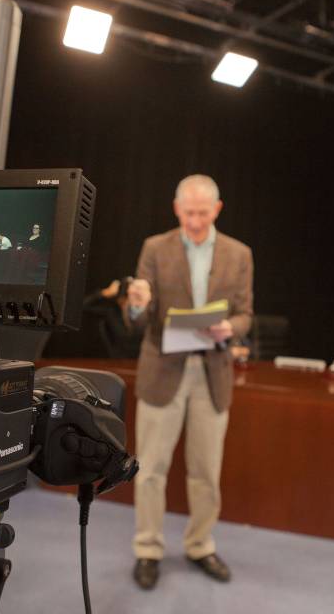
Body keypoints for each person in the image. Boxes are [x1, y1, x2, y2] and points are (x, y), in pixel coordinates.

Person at [125, 174, 253, 590]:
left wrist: (229, 327)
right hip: (164, 369)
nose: (195, 221)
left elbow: (246, 314)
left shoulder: (239, 254)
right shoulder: (154, 247)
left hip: (212, 372)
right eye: (188, 212)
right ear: (176, 209)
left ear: (217, 210)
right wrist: (137, 303)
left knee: (205, 472)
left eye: (203, 213)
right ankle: (148, 548)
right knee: (150, 471)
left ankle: (200, 544)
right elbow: (138, 317)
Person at [83, 278, 143, 359]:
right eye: (123, 299)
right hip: (117, 361)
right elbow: (84, 306)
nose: (126, 304)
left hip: (141, 360)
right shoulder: (111, 312)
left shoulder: (143, 312)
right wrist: (104, 293)